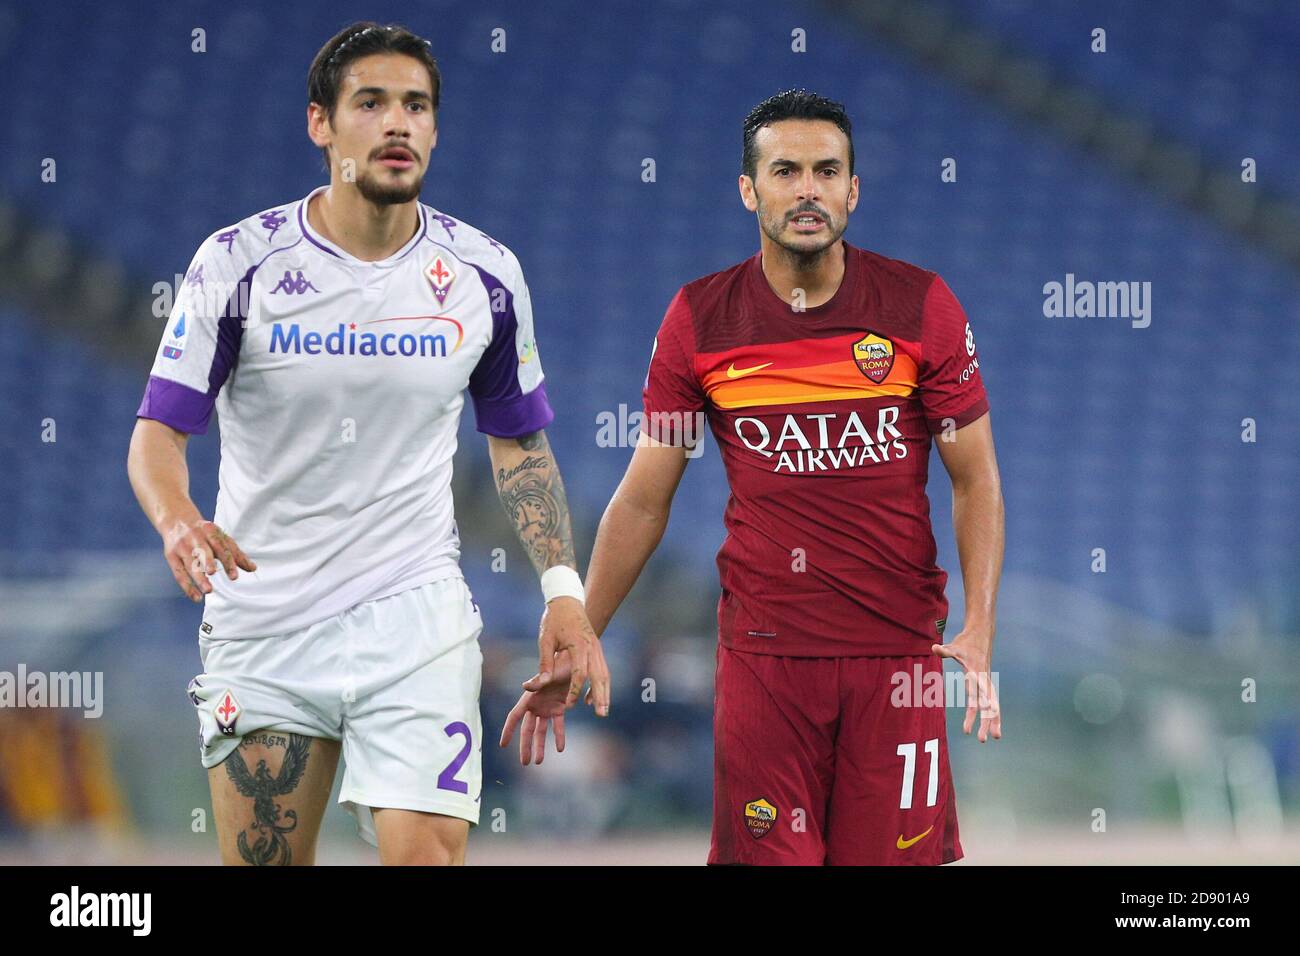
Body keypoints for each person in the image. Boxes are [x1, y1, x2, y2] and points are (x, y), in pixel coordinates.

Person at [126, 21, 608, 866]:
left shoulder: (484, 276)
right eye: (372, 102)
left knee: (425, 856)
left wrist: (563, 591)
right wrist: (177, 520)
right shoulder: (237, 264)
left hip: (413, 617)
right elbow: (157, 431)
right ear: (321, 124)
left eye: (417, 106)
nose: (398, 123)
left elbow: (520, 447)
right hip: (264, 618)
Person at [502, 90, 1003, 865]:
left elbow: (976, 479)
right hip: (765, 665)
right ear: (749, 189)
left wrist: (978, 625)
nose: (808, 189)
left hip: (898, 662)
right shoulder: (700, 321)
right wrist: (583, 628)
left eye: (827, 171)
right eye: (786, 170)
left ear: (853, 190)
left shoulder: (920, 307)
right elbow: (643, 497)